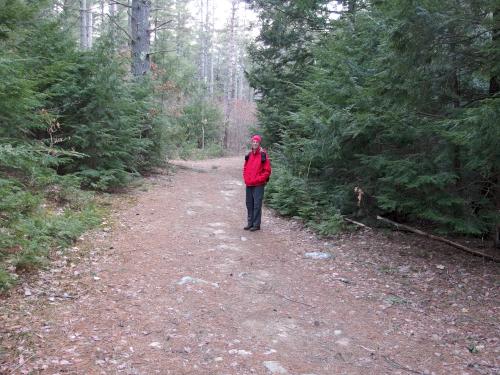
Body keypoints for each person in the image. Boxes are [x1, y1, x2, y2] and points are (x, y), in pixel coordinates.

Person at [243, 134, 272, 231]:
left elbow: (267, 171)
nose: (255, 143)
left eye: (256, 142)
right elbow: (245, 168)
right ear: (251, 143)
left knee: (257, 204)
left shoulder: (263, 155)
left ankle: (256, 225)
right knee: (249, 204)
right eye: (253, 142)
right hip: (249, 184)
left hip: (258, 185)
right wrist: (245, 178)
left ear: (259, 143)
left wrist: (259, 179)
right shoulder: (249, 155)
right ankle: (250, 223)